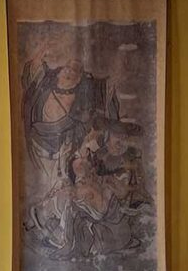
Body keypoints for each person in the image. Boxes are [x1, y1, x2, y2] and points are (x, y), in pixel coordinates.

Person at [21, 51, 120, 181]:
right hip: (39, 146)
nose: (68, 72)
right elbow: (31, 77)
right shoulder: (44, 87)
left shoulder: (81, 102)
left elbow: (96, 128)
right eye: (67, 68)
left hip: (65, 150)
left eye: (74, 71)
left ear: (79, 78)